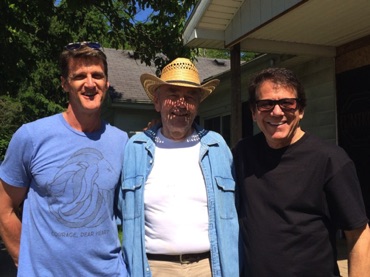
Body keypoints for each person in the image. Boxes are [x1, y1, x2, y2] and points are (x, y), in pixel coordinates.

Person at [0, 41, 128, 276]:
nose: (90, 84)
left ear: (106, 83)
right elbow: (4, 207)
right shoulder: (32, 137)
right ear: (64, 84)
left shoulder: (121, 142)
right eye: (80, 76)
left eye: (97, 75)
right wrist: (24, 261)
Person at [233, 67, 370, 276]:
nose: (277, 112)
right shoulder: (243, 154)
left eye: (287, 103)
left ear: (301, 110)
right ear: (253, 112)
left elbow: (359, 234)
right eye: (266, 104)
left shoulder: (330, 159)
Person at [119, 58, 241, 277]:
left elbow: (237, 208)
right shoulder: (135, 149)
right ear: (157, 102)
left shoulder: (217, 146)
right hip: (154, 268)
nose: (181, 103)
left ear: (197, 104)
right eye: (172, 95)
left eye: (189, 97)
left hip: (209, 267)